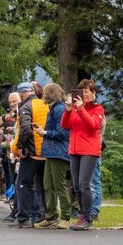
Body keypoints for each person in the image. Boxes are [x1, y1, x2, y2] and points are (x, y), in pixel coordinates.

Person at [60, 78, 105, 230]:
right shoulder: (74, 108)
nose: (84, 95)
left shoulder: (98, 109)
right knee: (77, 186)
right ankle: (82, 215)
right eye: (82, 91)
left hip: (89, 150)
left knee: (85, 184)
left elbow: (93, 126)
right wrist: (67, 111)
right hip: (74, 149)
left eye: (87, 91)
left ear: (94, 93)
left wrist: (81, 109)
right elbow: (65, 126)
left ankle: (87, 217)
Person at [34, 83, 70, 229]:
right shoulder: (54, 108)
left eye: (45, 93)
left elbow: (63, 133)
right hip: (51, 152)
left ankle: (65, 217)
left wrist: (44, 133)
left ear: (51, 94)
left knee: (59, 185)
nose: (43, 95)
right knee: (48, 185)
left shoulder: (59, 109)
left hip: (58, 152)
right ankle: (50, 217)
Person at [11, 81, 47, 228]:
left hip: (31, 153)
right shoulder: (45, 104)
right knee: (44, 186)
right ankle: (44, 216)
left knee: (24, 184)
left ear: (22, 93)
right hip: (46, 152)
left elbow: (25, 129)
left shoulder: (26, 107)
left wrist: (19, 146)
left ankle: (24, 217)